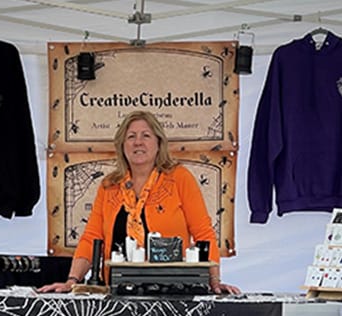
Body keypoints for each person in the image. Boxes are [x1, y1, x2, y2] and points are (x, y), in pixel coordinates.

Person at [39, 110, 239, 294]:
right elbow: (91, 238)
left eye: (146, 136)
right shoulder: (109, 186)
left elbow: (204, 233)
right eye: (131, 137)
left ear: (158, 143)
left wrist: (214, 281)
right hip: (118, 291)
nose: (138, 142)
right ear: (122, 145)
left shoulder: (179, 178)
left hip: (172, 292)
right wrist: (72, 280)